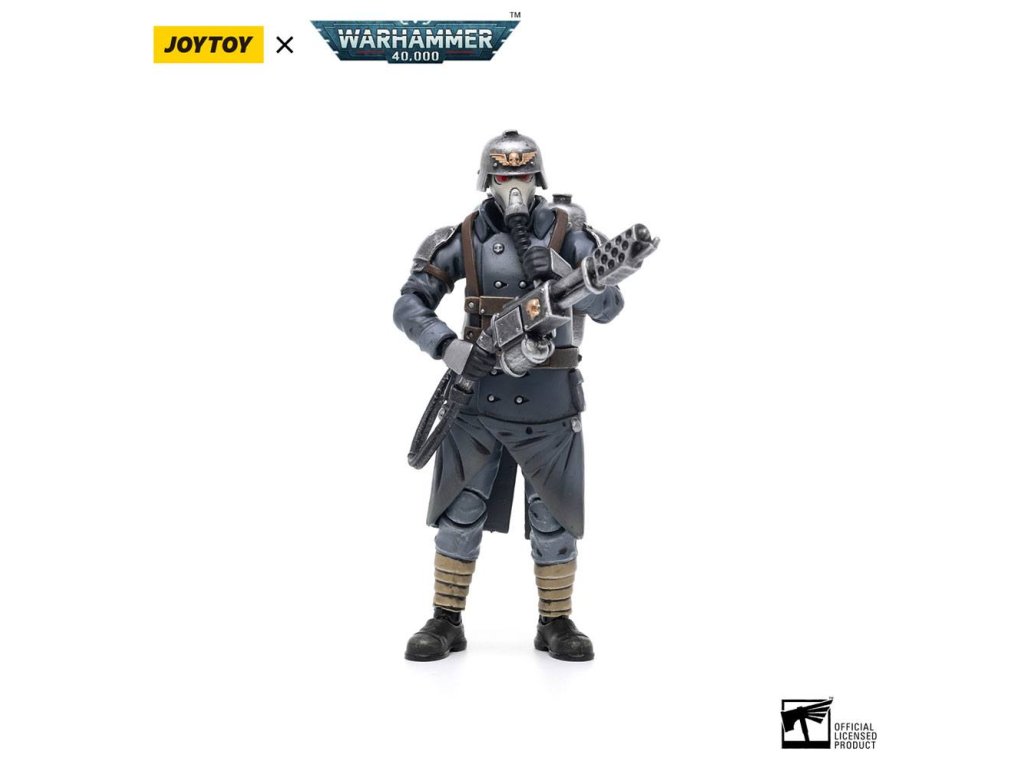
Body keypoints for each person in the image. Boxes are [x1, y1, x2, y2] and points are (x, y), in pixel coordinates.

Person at [393, 130, 625, 662]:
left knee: (553, 517)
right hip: (477, 396)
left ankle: (556, 620)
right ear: (488, 179)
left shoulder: (570, 235)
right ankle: (446, 617)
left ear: (537, 177)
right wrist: (448, 347)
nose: (513, 186)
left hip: (550, 401)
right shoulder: (462, 237)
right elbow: (409, 304)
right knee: (459, 512)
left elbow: (611, 305)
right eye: (503, 176)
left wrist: (565, 273)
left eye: (522, 175)